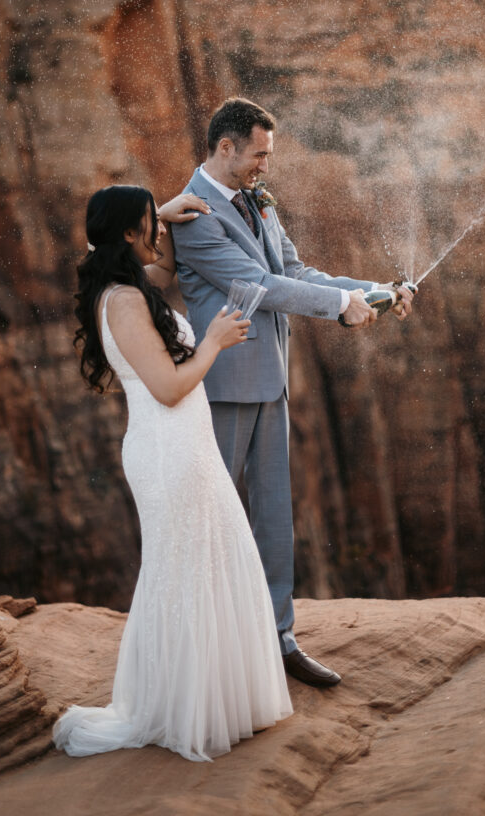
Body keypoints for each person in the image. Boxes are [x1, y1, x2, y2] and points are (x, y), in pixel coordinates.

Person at [172, 98, 414, 688]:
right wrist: (341, 309)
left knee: (275, 517)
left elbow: (296, 271)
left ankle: (279, 640)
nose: (264, 167)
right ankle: (200, 645)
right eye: (258, 155)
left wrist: (375, 291)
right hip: (224, 386)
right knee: (212, 518)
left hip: (270, 382)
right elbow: (256, 285)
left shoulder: (256, 201)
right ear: (225, 147)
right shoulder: (193, 215)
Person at [53, 185, 292, 762]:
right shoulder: (124, 302)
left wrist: (155, 216)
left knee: (209, 560)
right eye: (147, 225)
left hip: (187, 447)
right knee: (184, 569)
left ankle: (214, 699)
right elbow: (168, 387)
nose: (158, 235)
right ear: (129, 234)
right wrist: (211, 342)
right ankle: (182, 708)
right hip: (168, 451)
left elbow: (160, 267)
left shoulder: (128, 284)